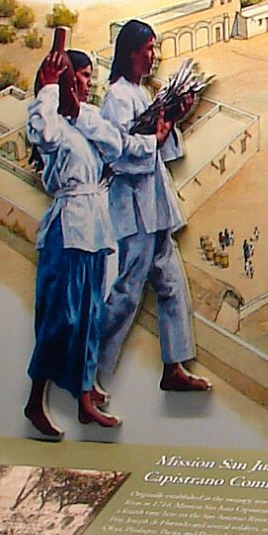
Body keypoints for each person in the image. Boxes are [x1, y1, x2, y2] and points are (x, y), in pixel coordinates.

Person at [95, 20, 209, 395]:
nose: (154, 56)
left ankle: (174, 367)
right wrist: (153, 140)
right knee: (128, 292)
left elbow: (163, 149)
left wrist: (174, 119)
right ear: (131, 52)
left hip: (155, 205)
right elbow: (116, 155)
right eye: (149, 50)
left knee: (171, 285)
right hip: (135, 208)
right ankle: (90, 367)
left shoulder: (142, 93)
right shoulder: (116, 98)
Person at [22, 47, 129, 438]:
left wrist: (78, 110)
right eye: (82, 76)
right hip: (68, 230)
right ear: (66, 79)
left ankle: (84, 396)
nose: (88, 83)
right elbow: (43, 134)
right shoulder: (49, 119)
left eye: (89, 76)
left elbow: (114, 146)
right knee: (60, 318)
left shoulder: (85, 118)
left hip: (95, 228)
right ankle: (36, 401)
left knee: (89, 315)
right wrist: (50, 90)